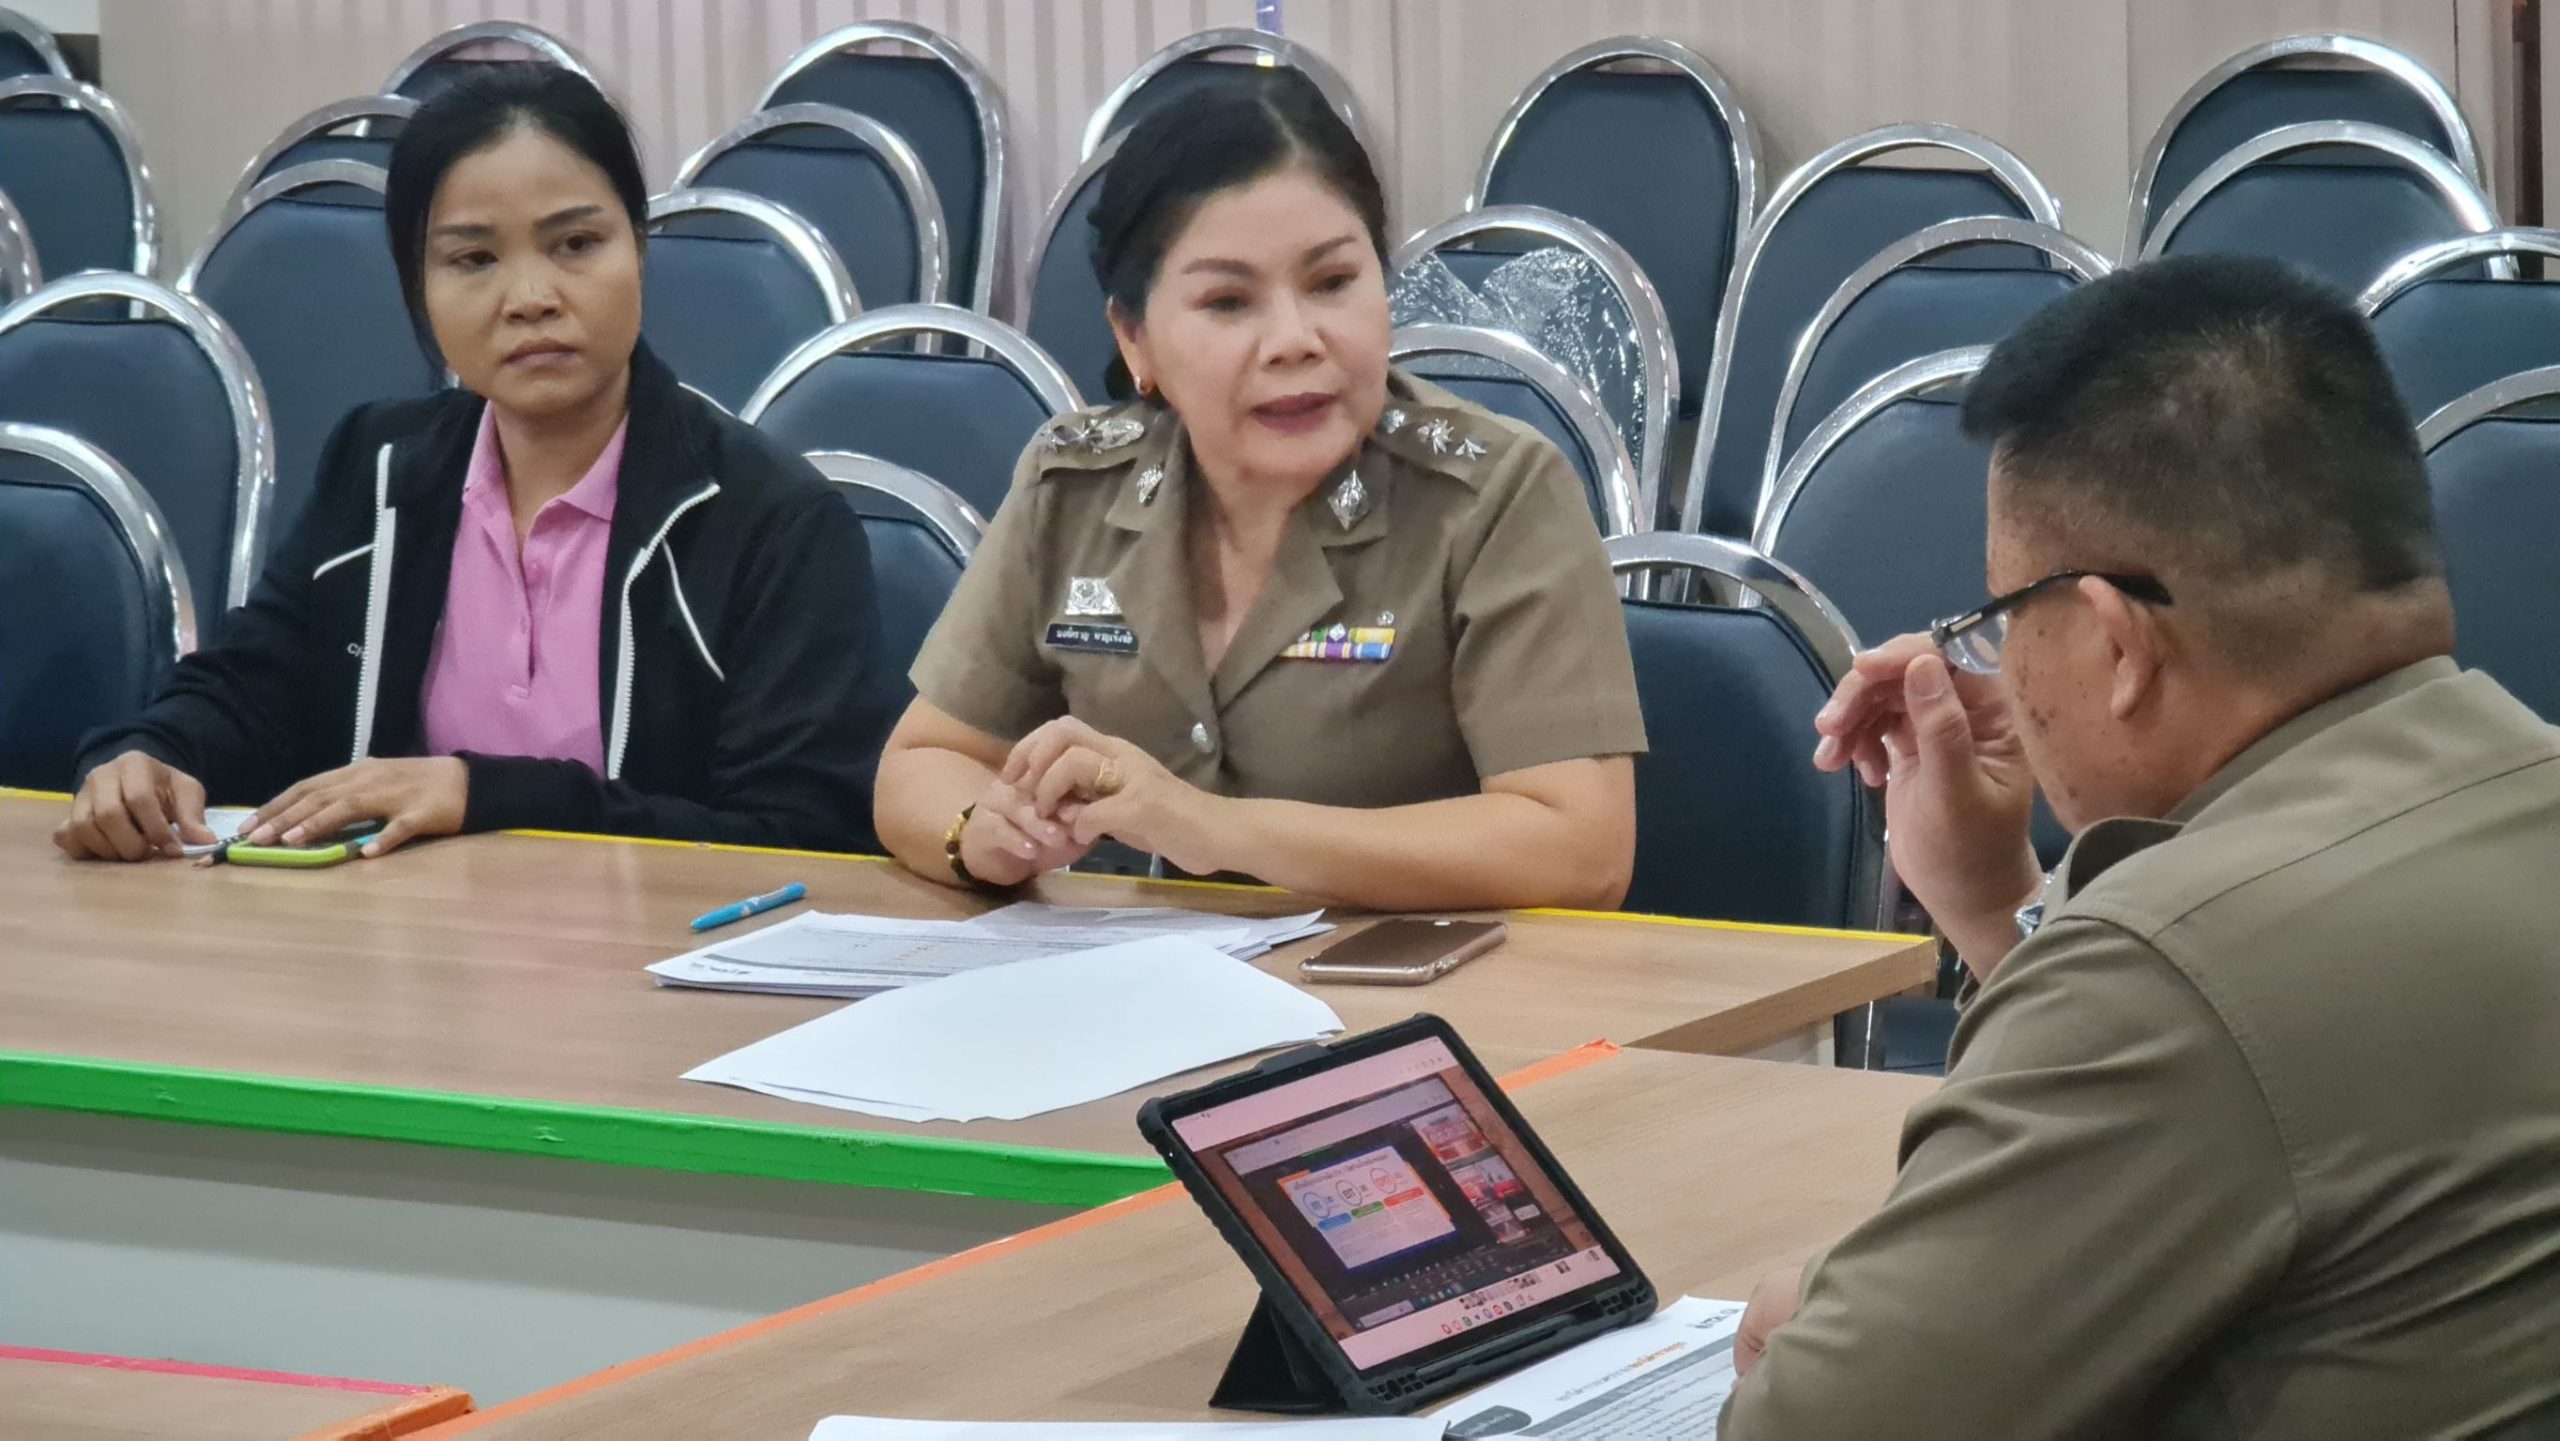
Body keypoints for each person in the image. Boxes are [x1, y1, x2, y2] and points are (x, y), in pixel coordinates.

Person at [1720, 256, 2560, 1435]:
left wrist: (1810, 1313)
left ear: (2114, 642)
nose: (1995, 665)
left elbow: (1818, 1425)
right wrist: (1992, 901)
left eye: (1998, 620)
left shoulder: (2168, 966)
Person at [57, 67, 896, 861]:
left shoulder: (773, 521)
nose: (530, 298)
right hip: (399, 945)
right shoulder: (380, 469)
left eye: (576, 243)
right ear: (418, 288)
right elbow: (251, 687)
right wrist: (151, 752)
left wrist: (484, 794)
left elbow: (804, 836)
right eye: (473, 259)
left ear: (640, 248)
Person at [873, 71, 1646, 910]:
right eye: (1229, 301)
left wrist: (1215, 828)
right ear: (1135, 340)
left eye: (1332, 282)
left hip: (1423, 980)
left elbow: (1580, 849)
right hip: (1137, 977)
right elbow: (922, 761)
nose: (1294, 340)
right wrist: (982, 832)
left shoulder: (1494, 494)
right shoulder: (1074, 485)